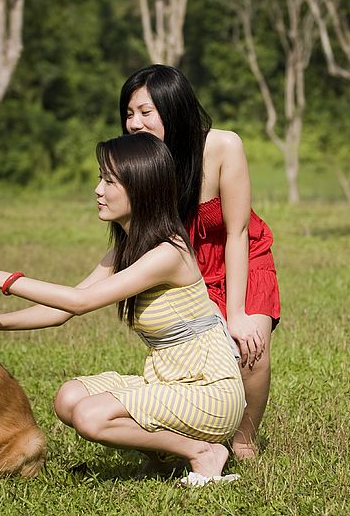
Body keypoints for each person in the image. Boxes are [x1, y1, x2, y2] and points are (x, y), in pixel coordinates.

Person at [0, 133, 245, 485]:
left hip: (209, 391)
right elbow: (63, 310)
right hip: (170, 382)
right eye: (100, 178)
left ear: (141, 187)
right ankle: (165, 455)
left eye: (109, 180)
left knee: (91, 416)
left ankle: (203, 451)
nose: (97, 190)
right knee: (68, 398)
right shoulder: (128, 247)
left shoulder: (169, 252)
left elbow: (81, 302)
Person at [119, 64, 280, 460]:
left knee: (249, 351)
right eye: (129, 113)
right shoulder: (142, 164)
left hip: (240, 255)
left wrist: (238, 312)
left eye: (145, 112)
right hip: (184, 269)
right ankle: (190, 438)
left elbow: (237, 232)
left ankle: (243, 440)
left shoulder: (223, 146)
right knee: (189, 362)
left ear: (173, 109)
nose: (134, 123)